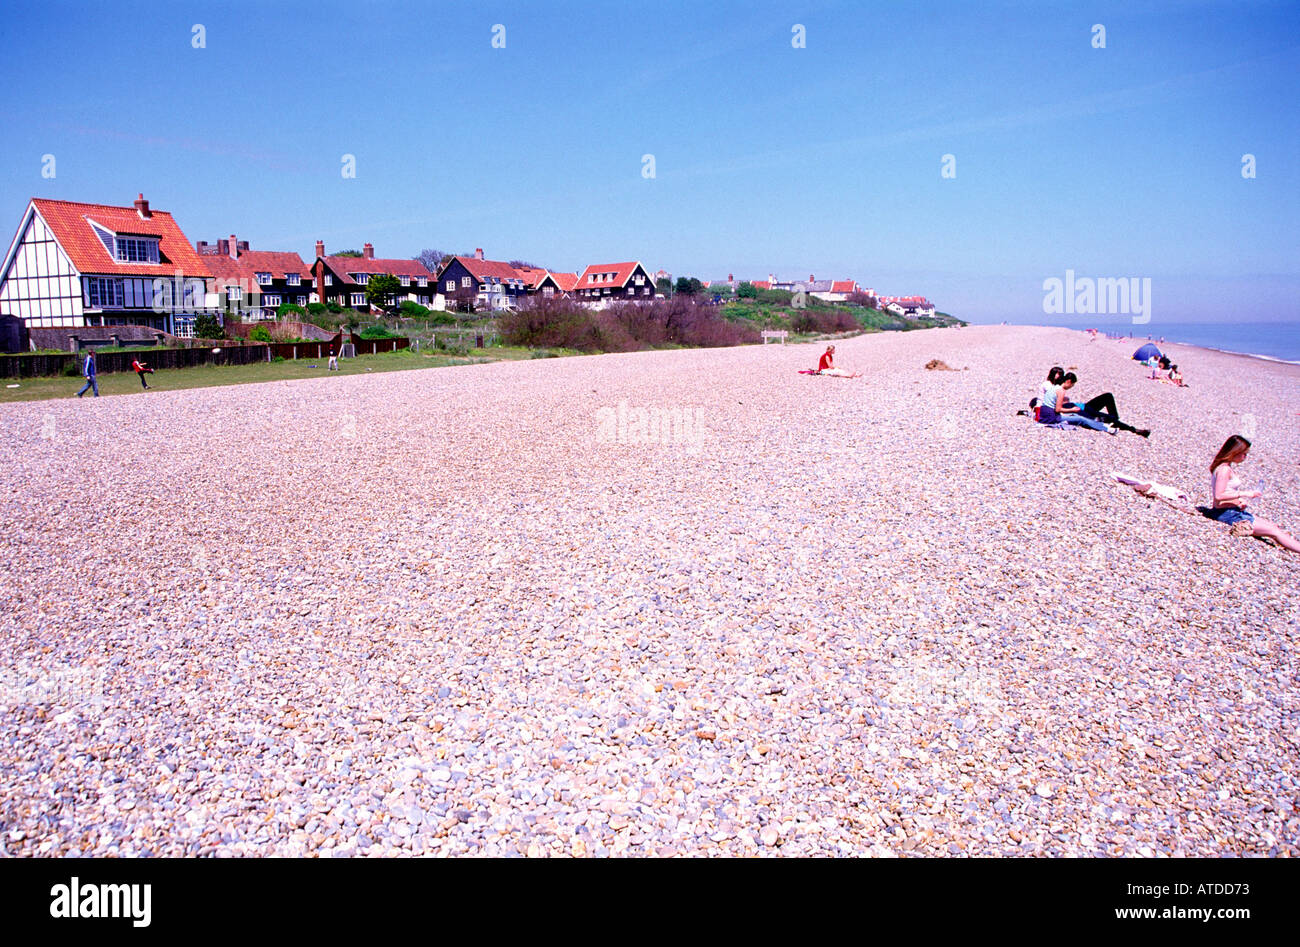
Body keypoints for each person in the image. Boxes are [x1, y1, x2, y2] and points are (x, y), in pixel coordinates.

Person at [1207, 435, 1300, 551]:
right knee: (1275, 532)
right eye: (1244, 453)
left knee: (1273, 526)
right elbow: (1218, 495)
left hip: (1232, 510)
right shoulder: (1224, 470)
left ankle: (1290, 546)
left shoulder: (1225, 467)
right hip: (1227, 514)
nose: (1245, 457)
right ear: (1234, 452)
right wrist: (1244, 494)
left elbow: (1226, 491)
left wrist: (1238, 501)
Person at [1053, 373, 1151, 437]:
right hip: (1083, 410)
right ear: (1069, 382)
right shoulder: (1058, 391)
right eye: (1072, 385)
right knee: (1108, 417)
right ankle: (1133, 429)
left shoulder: (1059, 390)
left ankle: (1115, 419)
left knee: (1108, 396)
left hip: (1085, 406)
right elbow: (1060, 409)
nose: (1072, 387)